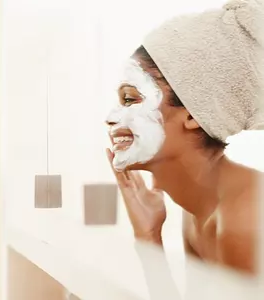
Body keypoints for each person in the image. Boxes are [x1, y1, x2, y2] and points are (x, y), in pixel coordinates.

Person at [105, 0, 263, 275]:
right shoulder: (198, 209)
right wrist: (149, 237)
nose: (110, 116)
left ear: (193, 115)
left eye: (130, 99)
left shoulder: (244, 220)